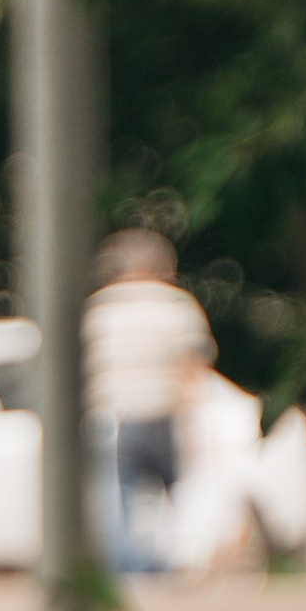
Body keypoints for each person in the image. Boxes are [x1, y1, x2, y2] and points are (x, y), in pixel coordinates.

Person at [81, 229, 216, 573]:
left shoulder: (99, 308)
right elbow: (193, 366)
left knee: (118, 501)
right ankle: (180, 566)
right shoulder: (177, 305)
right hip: (166, 412)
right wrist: (196, 416)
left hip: (113, 416)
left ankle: (125, 572)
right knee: (182, 495)